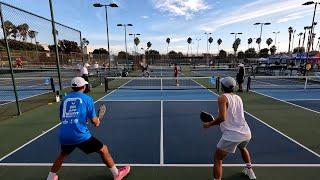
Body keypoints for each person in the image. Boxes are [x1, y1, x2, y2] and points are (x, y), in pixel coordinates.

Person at [46, 77, 130, 180]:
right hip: (80, 135)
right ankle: (117, 174)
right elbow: (94, 121)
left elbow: (62, 117)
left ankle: (50, 177)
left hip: (64, 135)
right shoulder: (87, 99)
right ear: (84, 86)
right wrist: (97, 122)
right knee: (104, 150)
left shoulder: (64, 99)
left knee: (62, 155)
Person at [203, 77, 256, 180]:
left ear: (222, 86)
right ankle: (250, 171)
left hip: (232, 136)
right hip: (245, 133)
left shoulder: (222, 97)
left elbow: (222, 118)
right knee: (242, 148)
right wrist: (218, 123)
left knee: (217, 158)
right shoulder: (238, 97)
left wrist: (209, 124)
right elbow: (233, 118)